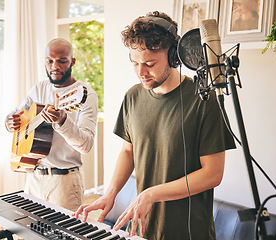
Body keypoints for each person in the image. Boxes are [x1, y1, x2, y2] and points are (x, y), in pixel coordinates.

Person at [74, 11, 236, 239]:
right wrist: (109, 194)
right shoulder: (132, 97)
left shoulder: (203, 101)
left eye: (149, 63)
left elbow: (213, 173)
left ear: (173, 57)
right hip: (143, 229)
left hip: (189, 233)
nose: (141, 72)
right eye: (135, 63)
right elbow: (128, 151)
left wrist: (152, 194)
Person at [5, 38, 98, 212]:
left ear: (72, 61)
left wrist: (62, 121)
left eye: (62, 61)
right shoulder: (39, 89)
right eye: (50, 61)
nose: (55, 66)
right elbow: (18, 115)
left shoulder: (85, 95)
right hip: (33, 178)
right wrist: (9, 121)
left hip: (65, 183)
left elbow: (86, 145)